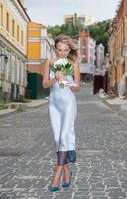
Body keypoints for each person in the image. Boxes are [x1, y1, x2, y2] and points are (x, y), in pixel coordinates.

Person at [43, 34, 80, 191]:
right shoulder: (50, 62)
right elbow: (45, 84)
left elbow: (77, 88)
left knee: (64, 136)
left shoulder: (73, 64)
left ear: (69, 49)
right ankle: (67, 170)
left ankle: (57, 176)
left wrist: (65, 79)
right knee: (58, 138)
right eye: (59, 50)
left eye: (66, 50)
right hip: (54, 104)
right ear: (55, 48)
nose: (63, 53)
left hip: (68, 104)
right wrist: (55, 78)